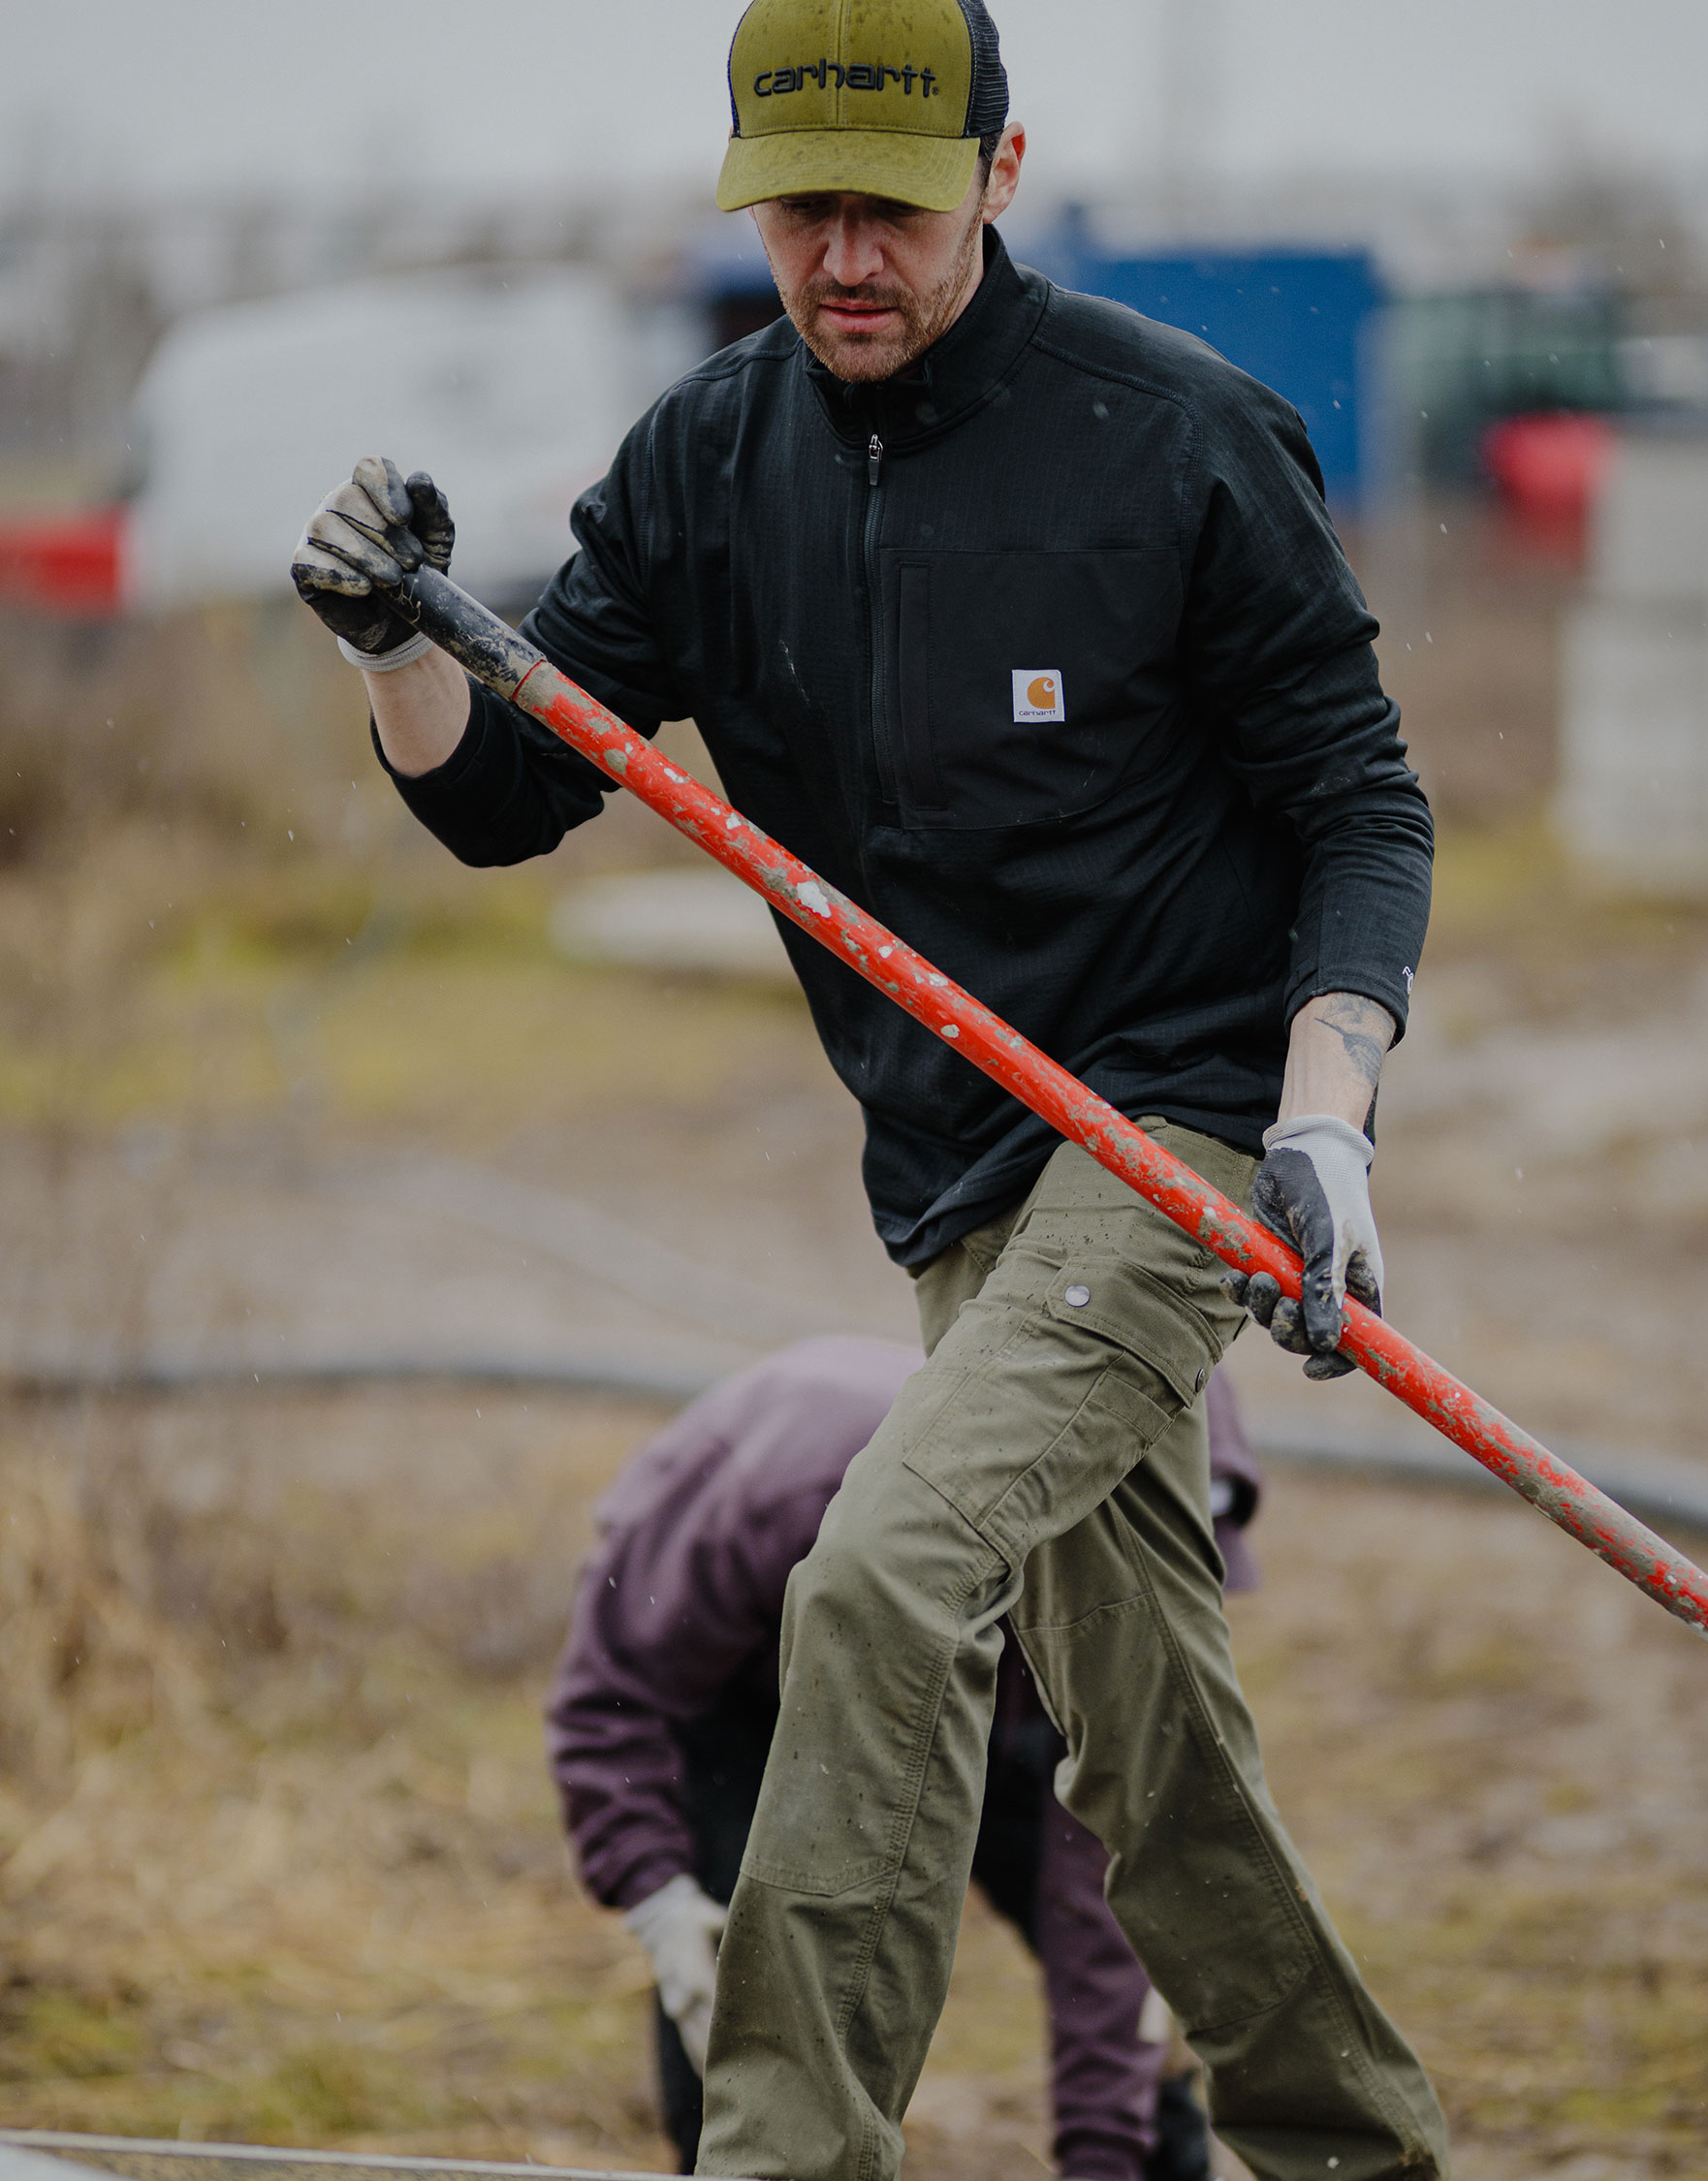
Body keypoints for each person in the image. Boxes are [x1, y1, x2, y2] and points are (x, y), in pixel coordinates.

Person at [289, 0, 1446, 2171]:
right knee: (1150, 1750)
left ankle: (788, 2154)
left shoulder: (1180, 440)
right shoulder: (710, 465)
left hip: (1177, 1133)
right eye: (800, 209)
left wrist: (1325, 1108)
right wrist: (393, 646)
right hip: (953, 1164)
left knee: (882, 1574)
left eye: (893, 210)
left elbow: (1361, 807)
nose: (843, 260)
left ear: (999, 174)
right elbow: (507, 801)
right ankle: (1359, 2148)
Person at [549, 1337, 1267, 2181]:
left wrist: (1104, 2153)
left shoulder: (1128, 1578)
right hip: (752, 1701)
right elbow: (613, 1700)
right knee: (749, 1988)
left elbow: (1100, 1866)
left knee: (1142, 1945)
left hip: (999, 1672)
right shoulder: (776, 1494)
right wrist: (660, 1898)